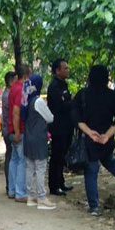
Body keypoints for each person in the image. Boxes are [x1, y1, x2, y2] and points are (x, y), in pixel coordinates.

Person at [73, 65, 115, 215]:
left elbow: (76, 118)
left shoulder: (82, 95)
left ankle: (94, 206)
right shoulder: (113, 96)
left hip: (90, 140)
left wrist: (90, 133)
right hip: (106, 139)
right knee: (110, 162)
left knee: (91, 170)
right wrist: (107, 135)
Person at [23, 75, 56, 210]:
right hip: (39, 138)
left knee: (30, 167)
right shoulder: (38, 101)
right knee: (41, 167)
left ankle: (31, 196)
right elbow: (50, 118)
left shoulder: (26, 100)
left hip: (28, 137)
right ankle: (42, 198)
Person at [47, 58, 74, 196]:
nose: (67, 70)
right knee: (56, 155)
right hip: (58, 127)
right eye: (65, 68)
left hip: (67, 125)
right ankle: (54, 185)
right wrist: (72, 102)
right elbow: (61, 106)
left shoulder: (64, 85)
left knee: (62, 156)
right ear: (58, 71)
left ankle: (60, 182)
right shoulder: (54, 87)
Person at [8, 65, 30, 202]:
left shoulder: (12, 89)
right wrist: (17, 132)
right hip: (19, 130)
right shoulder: (21, 89)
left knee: (14, 160)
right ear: (26, 76)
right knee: (22, 161)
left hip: (12, 128)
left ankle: (12, 190)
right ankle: (20, 192)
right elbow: (16, 112)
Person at [1, 72, 17, 194]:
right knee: (11, 157)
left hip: (7, 128)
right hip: (9, 129)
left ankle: (10, 186)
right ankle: (10, 186)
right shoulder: (8, 95)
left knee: (11, 156)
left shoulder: (7, 93)